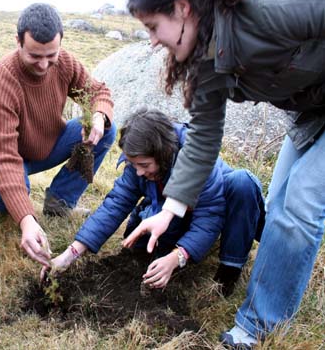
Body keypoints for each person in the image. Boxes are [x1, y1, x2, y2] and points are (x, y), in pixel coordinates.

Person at [122, 0, 325, 348]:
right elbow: (202, 140)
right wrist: (168, 212)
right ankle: (261, 314)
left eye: (153, 27)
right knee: (279, 207)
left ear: (182, 8)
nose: (152, 41)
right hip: (310, 115)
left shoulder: (270, 9)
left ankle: (255, 328)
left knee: (301, 205)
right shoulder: (206, 59)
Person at [42, 107, 264, 297]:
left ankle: (229, 269)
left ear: (163, 154)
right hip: (173, 215)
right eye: (134, 164)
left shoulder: (200, 161)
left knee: (242, 183)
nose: (138, 172)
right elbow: (115, 204)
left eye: (144, 165)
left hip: (218, 210)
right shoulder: (139, 166)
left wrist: (178, 257)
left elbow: (209, 217)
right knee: (148, 233)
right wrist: (70, 254)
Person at [0, 3, 116, 267]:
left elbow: (99, 92)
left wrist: (98, 115)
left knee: (107, 128)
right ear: (18, 41)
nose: (43, 65)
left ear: (60, 42)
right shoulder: (0, 81)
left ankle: (59, 202)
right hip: (5, 155)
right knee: (5, 201)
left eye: (50, 55)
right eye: (34, 56)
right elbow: (5, 157)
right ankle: (10, 194)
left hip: (50, 142)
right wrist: (27, 220)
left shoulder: (63, 62)